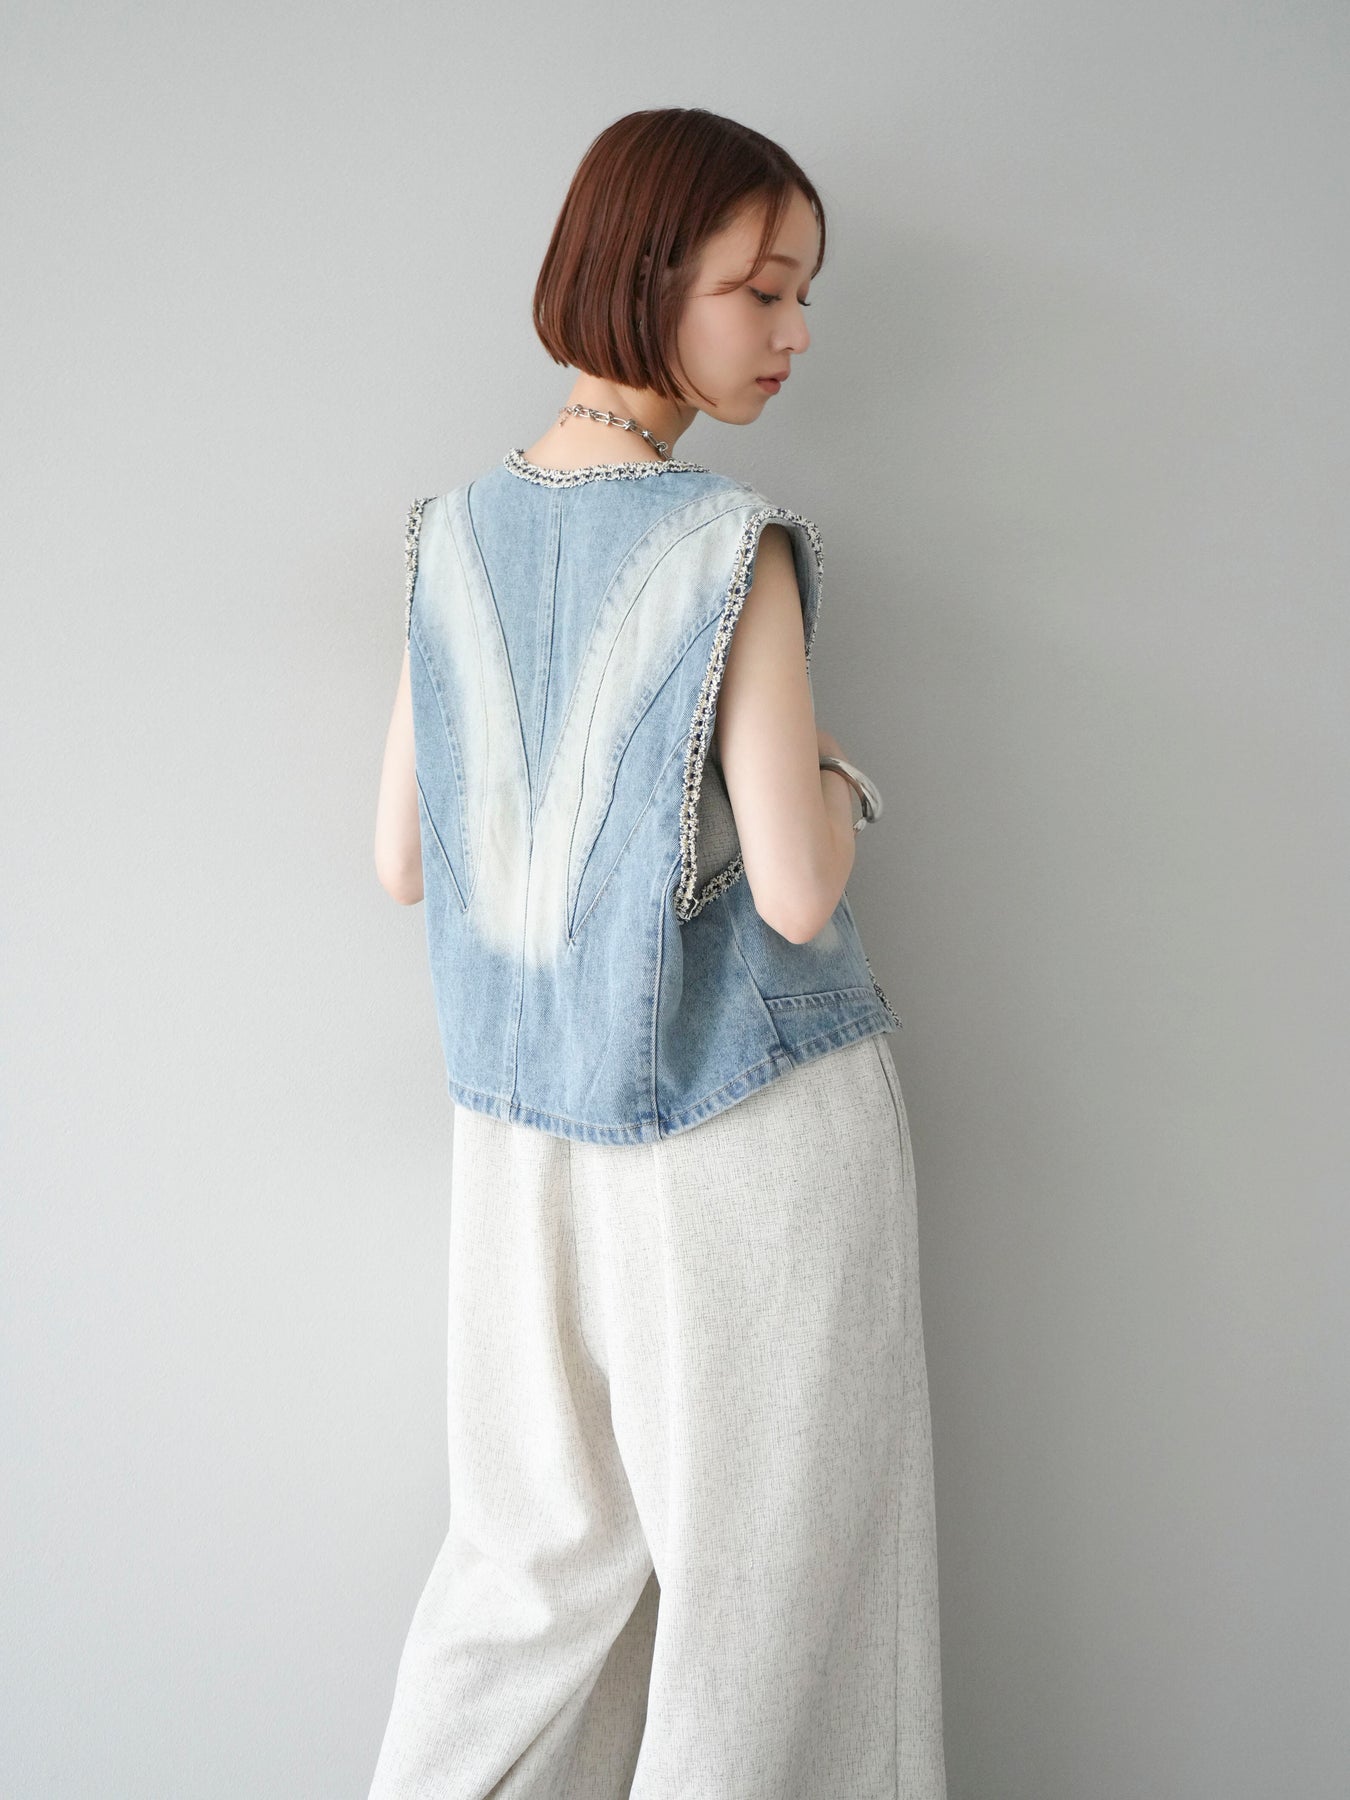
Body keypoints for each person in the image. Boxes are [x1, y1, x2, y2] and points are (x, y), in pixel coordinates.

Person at [369, 107, 947, 1800]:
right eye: (759, 289)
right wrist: (837, 779)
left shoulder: (451, 533)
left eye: (802, 293)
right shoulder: (723, 541)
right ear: (644, 274)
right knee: (772, 1597)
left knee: (527, 1565)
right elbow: (794, 892)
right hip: (745, 1124)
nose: (794, 331)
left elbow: (400, 860)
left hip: (521, 1139)